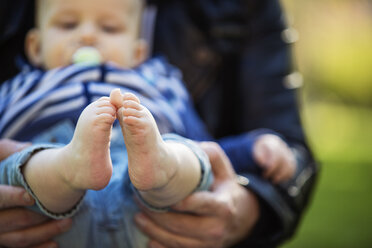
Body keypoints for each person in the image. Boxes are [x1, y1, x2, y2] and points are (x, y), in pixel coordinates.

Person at [0, 0, 318, 248]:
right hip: (47, 207)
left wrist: (254, 147)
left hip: (146, 215)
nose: (87, 35)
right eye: (67, 24)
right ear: (34, 46)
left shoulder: (159, 84)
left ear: (138, 51)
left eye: (109, 28)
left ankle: (161, 167)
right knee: (27, 163)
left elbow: (208, 149)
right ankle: (69, 167)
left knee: (186, 154)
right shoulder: (20, 86)